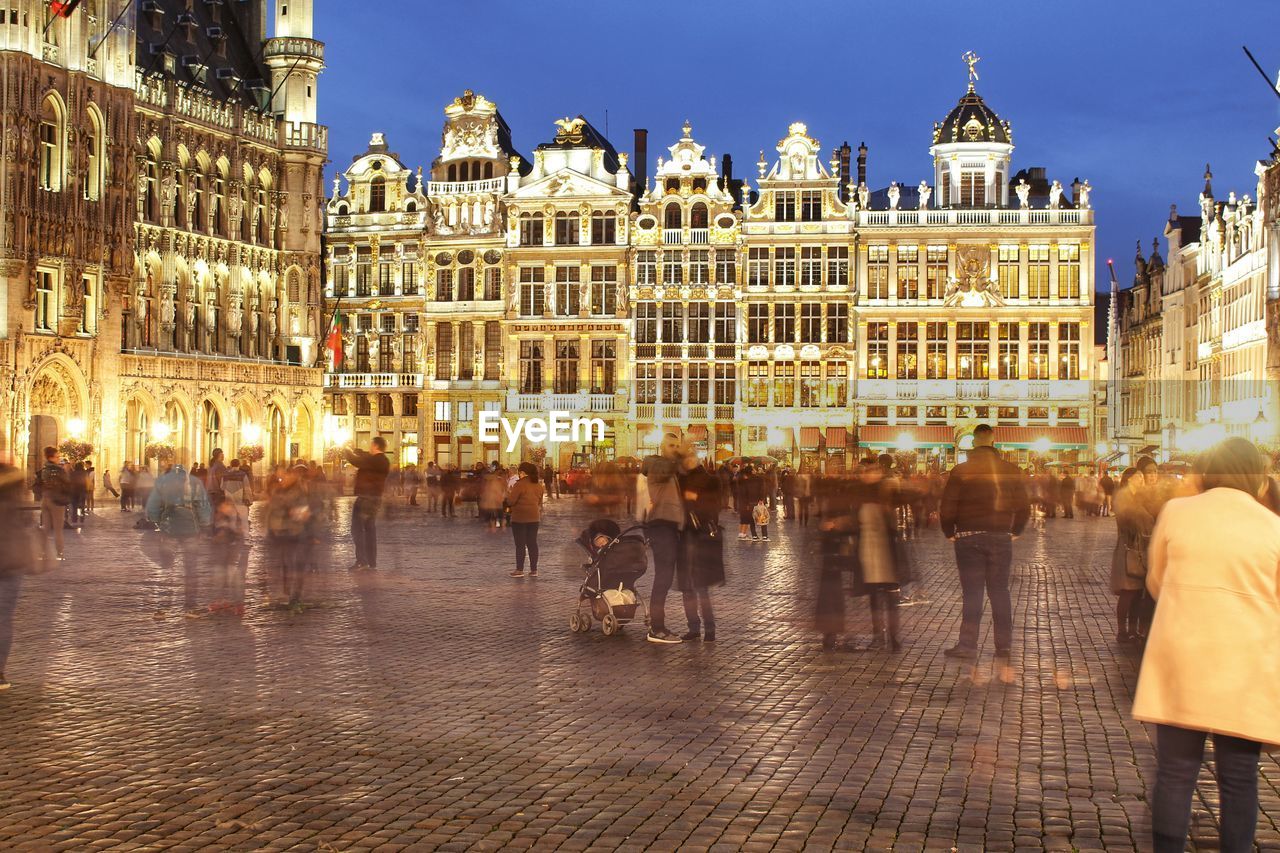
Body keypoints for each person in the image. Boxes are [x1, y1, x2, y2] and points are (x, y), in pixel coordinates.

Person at [1133, 438, 1280, 851]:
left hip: (1182, 655)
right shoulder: (1273, 527)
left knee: (1176, 772)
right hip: (1246, 662)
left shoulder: (1178, 512)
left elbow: (1156, 580)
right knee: (1239, 776)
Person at [939, 424, 1030, 661]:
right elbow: (1023, 505)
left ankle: (968, 645)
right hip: (1000, 536)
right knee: (1000, 592)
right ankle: (1004, 646)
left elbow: (948, 504)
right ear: (993, 441)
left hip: (969, 536)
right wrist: (1016, 529)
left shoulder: (961, 470)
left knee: (972, 593)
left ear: (973, 442)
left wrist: (949, 530)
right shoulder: (1010, 469)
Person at [638, 433, 689, 644]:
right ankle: (656, 628)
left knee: (666, 578)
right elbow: (668, 468)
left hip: (670, 527)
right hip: (660, 526)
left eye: (677, 445)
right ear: (662, 446)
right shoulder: (656, 465)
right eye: (671, 445)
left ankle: (657, 624)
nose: (675, 448)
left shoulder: (669, 469)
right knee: (663, 578)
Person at [146, 462, 213, 617]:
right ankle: (190, 607)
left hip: (169, 528)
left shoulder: (162, 482)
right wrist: (205, 525)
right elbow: (203, 506)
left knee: (166, 568)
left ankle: (162, 608)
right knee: (190, 568)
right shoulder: (195, 483)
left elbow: (153, 506)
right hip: (191, 529)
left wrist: (158, 522)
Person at [677, 457, 723, 641]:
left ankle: (708, 628)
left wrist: (696, 499)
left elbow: (715, 507)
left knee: (700, 586)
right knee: (688, 586)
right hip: (685, 535)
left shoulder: (711, 480)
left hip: (701, 536)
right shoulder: (680, 479)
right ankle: (694, 627)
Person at [1110, 467, 1154, 645]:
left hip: (1139, 547)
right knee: (1128, 591)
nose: (1141, 479)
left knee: (1136, 592)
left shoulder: (1140, 497)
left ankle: (1133, 630)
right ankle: (1122, 631)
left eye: (1142, 476)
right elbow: (1127, 519)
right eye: (1138, 477)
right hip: (1129, 548)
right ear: (1128, 479)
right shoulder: (1124, 497)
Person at [0, 459, 34, 689]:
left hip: (10, 558)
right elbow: (27, 521)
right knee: (3, 617)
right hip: (11, 558)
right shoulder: (14, 484)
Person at [342, 437, 390, 571]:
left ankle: (361, 560)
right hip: (375, 498)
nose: (370, 447)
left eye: (371, 445)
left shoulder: (375, 460)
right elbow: (364, 456)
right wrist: (355, 450)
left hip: (366, 498)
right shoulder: (384, 460)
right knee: (369, 529)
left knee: (357, 529)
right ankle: (371, 561)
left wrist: (346, 449)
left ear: (375, 445)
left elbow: (356, 460)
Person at [506, 462, 543, 577]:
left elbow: (511, 501)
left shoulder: (519, 485)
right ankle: (534, 570)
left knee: (520, 544)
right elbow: (539, 502)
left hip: (520, 518)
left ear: (522, 472)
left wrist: (508, 493)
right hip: (534, 518)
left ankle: (519, 570)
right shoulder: (538, 485)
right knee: (532, 543)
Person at [33, 446, 69, 562]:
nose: (59, 459)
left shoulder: (43, 469)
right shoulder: (59, 470)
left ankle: (42, 553)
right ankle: (60, 553)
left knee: (46, 527)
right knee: (58, 529)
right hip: (57, 501)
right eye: (57, 456)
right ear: (51, 457)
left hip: (45, 499)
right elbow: (67, 483)